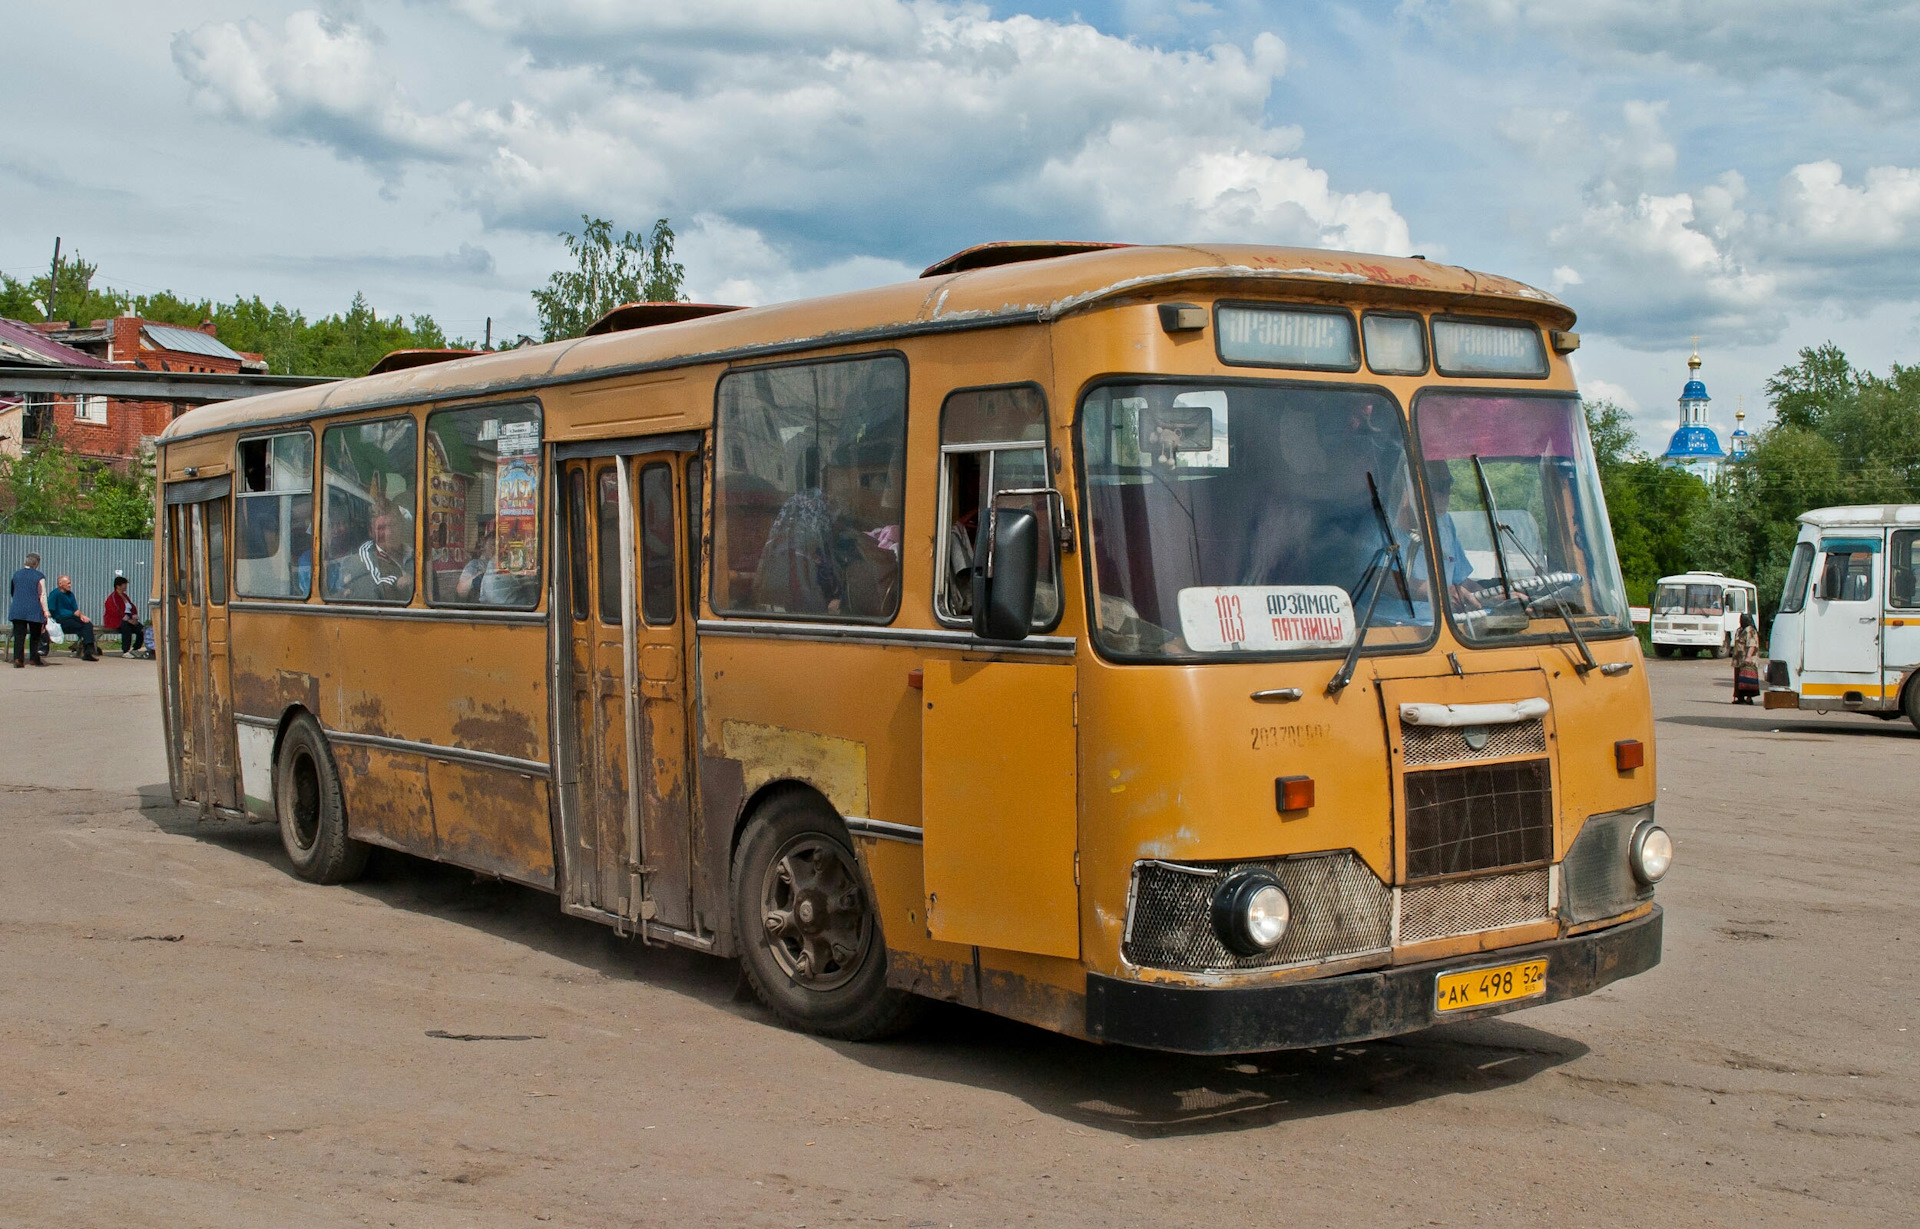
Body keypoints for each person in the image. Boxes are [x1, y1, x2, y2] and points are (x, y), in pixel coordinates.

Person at [9, 551, 51, 669]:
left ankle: (18, 659)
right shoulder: (39, 576)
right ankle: (34, 658)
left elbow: (13, 591)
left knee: (19, 635)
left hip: (17, 608)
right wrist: (46, 612)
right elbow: (42, 595)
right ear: (36, 563)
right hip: (34, 609)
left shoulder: (16, 574)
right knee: (35, 635)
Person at [49, 575, 101, 661]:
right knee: (81, 627)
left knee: (87, 624)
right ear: (60, 584)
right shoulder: (55, 594)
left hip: (72, 617)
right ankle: (86, 648)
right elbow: (50, 609)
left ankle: (89, 651)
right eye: (68, 583)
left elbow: (75, 610)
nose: (70, 585)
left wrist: (82, 616)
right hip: (62, 619)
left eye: (70, 583)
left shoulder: (70, 594)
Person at [102, 575, 146, 657]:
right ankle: (125, 650)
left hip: (128, 618)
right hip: (116, 619)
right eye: (124, 584)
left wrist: (134, 617)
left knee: (141, 629)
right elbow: (116, 611)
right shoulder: (113, 597)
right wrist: (128, 620)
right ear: (118, 586)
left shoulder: (125, 596)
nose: (126, 586)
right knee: (126, 627)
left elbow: (132, 607)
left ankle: (135, 648)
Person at [1731, 612, 1761, 704]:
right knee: (1738, 678)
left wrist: (1748, 657)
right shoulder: (1741, 630)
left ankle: (1749, 698)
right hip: (1739, 659)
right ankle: (1739, 697)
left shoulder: (1750, 630)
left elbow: (1752, 645)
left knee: (1748, 678)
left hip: (1747, 659)